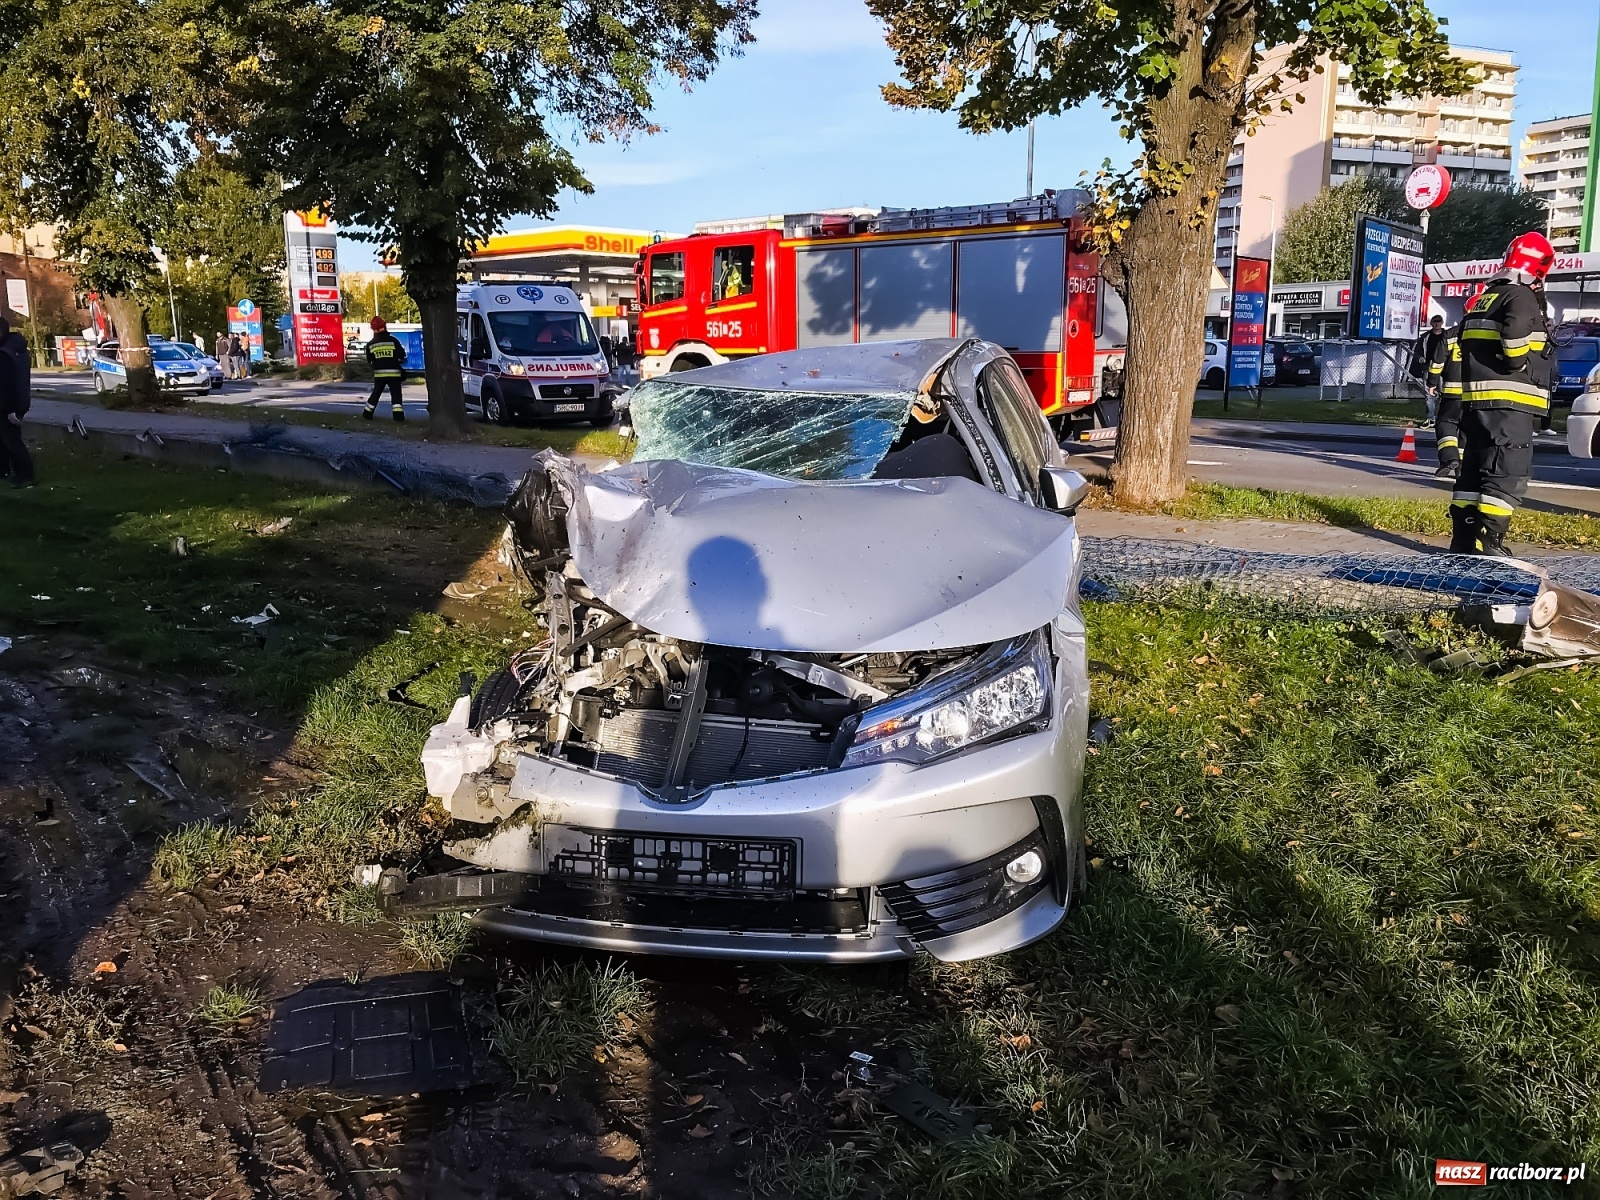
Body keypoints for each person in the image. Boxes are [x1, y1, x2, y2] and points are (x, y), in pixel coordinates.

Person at [1450, 231, 1556, 556]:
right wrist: (1523, 361)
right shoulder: (1519, 297)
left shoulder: (1486, 297)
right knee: (1507, 472)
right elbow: (1513, 346)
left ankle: (1463, 541)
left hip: (1477, 405)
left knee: (1474, 472)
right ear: (1537, 269)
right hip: (1510, 407)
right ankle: (1492, 544)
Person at [0, 316, 35, 487]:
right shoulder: (15, 349)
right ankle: (6, 469)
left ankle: (24, 474)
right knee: (6, 440)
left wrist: (10, 409)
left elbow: (6, 384)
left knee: (12, 441)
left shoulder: (4, 354)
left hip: (7, 405)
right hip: (15, 403)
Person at [1428, 319, 1463, 480]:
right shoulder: (1491, 333)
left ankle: (1450, 458)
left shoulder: (1451, 334)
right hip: (1480, 393)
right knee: (1467, 430)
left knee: (1445, 423)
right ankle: (1462, 470)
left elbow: (1437, 362)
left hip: (1453, 393)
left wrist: (1432, 383)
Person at [363, 316, 407, 421]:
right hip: (394, 374)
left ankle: (367, 414)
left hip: (379, 375)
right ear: (384, 327)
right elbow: (402, 355)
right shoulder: (393, 341)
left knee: (376, 394)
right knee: (396, 396)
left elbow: (370, 360)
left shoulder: (370, 344)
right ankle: (398, 418)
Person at [1414, 314, 1447, 425]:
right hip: (1428, 368)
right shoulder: (1425, 337)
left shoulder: (1447, 336)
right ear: (1431, 323)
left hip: (1443, 369)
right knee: (1428, 394)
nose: (1437, 323)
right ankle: (1430, 418)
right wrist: (1420, 359)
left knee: (1443, 394)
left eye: (1439, 321)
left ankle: (1441, 418)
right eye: (1434, 321)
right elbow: (1417, 352)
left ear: (1442, 323)